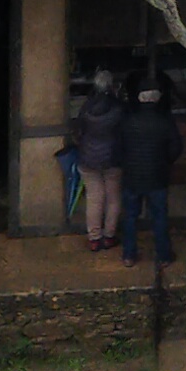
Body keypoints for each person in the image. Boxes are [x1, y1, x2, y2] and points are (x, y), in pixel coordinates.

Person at [114, 82, 180, 266]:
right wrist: (166, 162)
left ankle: (129, 255)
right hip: (157, 175)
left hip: (132, 176)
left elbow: (118, 149)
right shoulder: (165, 120)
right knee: (159, 216)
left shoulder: (127, 120)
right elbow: (176, 148)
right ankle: (163, 255)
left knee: (130, 217)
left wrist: (126, 165)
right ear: (157, 98)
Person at [66, 69, 124, 250]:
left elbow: (78, 131)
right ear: (111, 85)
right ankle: (109, 236)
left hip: (88, 158)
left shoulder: (86, 107)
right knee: (113, 198)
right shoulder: (119, 108)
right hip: (113, 158)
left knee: (94, 198)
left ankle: (94, 238)